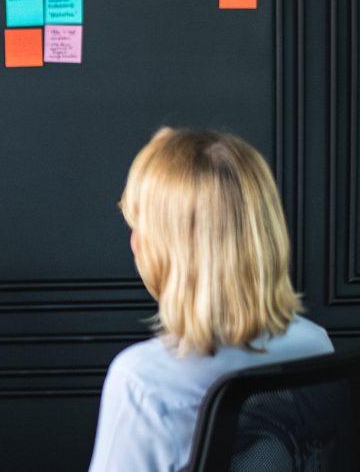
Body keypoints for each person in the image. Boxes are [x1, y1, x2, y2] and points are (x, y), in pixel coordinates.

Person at [88, 127, 333, 472]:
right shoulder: (315, 343)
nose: (134, 243)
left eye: (139, 227)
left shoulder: (141, 381)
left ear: (170, 247)